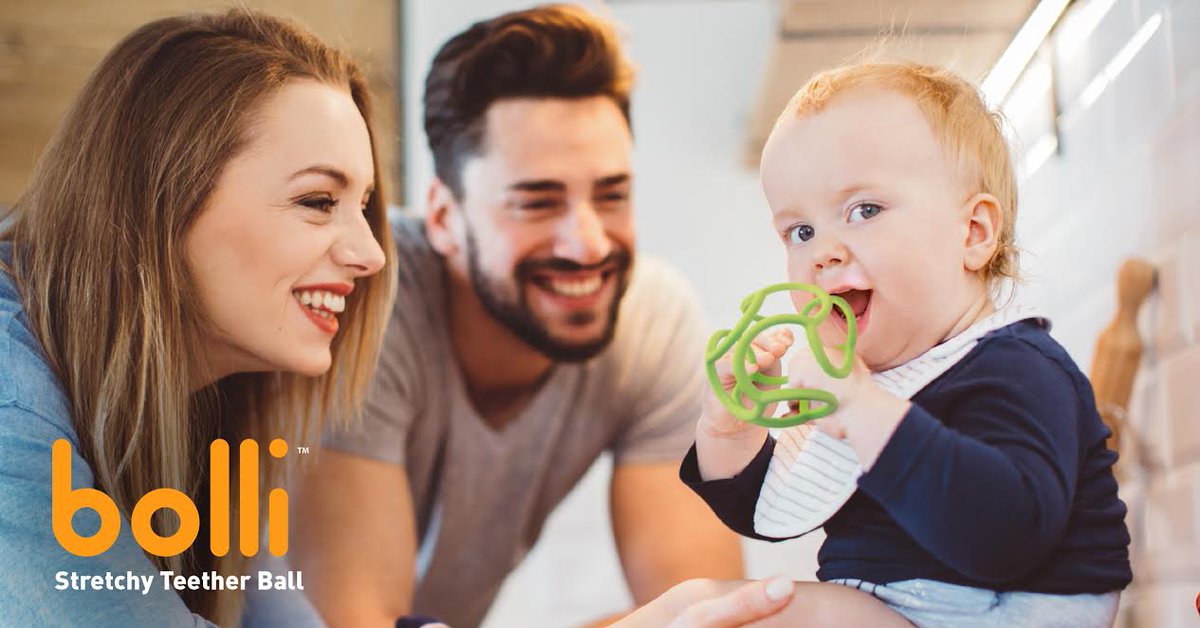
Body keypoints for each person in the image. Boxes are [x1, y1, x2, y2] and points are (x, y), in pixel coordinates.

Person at [286, 5, 743, 627]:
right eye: (537, 203)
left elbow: (713, 615)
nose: (588, 245)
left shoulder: (652, 321)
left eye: (611, 195)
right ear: (444, 217)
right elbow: (357, 622)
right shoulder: (369, 302)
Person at [679, 62, 1133, 626]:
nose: (822, 252)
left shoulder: (1019, 367)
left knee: (739, 618)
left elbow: (1005, 538)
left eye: (864, 210)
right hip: (910, 608)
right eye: (800, 231)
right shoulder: (872, 383)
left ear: (973, 233)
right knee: (693, 604)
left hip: (1000, 611)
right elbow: (771, 507)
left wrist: (864, 411)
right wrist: (729, 431)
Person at [0, 10, 393, 627]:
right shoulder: (8, 392)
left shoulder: (208, 403)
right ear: (160, 201)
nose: (371, 255)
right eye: (318, 201)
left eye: (363, 207)